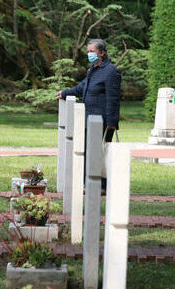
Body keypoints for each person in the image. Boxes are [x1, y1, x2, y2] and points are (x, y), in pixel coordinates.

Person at [57, 39, 121, 192]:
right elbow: (82, 88)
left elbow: (114, 98)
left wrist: (112, 122)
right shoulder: (93, 69)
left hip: (103, 121)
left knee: (100, 154)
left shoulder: (111, 71)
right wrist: (65, 93)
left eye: (92, 51)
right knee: (88, 152)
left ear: (102, 52)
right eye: (88, 51)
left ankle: (102, 186)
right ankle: (90, 184)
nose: (89, 54)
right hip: (88, 120)